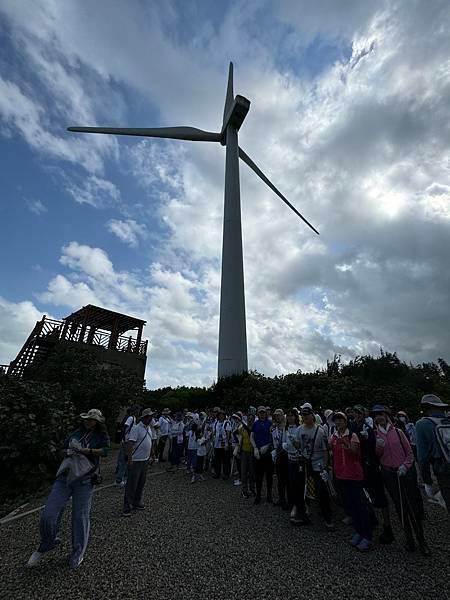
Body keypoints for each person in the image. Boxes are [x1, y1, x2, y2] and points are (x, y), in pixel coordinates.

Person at [27, 409, 110, 569]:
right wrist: (68, 451)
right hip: (64, 477)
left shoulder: (101, 436)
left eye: (92, 420)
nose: (89, 421)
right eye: (87, 418)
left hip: (85, 481)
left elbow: (106, 450)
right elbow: (61, 450)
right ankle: (47, 543)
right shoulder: (75, 433)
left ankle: (78, 552)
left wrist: (89, 451)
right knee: (48, 515)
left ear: (98, 422)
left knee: (80, 517)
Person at [373, 405, 430, 555]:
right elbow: (378, 456)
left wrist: (405, 466)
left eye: (381, 414)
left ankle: (422, 540)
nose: (379, 417)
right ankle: (409, 540)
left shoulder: (398, 432)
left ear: (386, 415)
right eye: (376, 415)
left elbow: (409, 452)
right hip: (388, 473)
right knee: (400, 507)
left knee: (412, 506)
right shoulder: (375, 434)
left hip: (404, 473)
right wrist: (378, 448)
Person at [330, 412, 373, 552]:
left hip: (354, 475)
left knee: (360, 505)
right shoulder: (334, 436)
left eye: (340, 420)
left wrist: (347, 446)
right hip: (340, 475)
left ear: (346, 421)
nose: (338, 423)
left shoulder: (352, 435)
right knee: (350, 505)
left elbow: (355, 453)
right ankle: (358, 531)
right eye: (336, 421)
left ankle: (367, 535)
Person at [351, 405, 394, 544]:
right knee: (364, 495)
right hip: (359, 465)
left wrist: (367, 439)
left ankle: (387, 526)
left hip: (371, 466)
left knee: (379, 496)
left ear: (364, 414)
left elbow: (373, 450)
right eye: (355, 412)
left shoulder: (369, 429)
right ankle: (371, 519)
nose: (357, 414)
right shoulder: (353, 427)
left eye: (359, 412)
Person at [298, 406, 334, 530]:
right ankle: (305, 512)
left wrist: (324, 466)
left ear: (312, 416)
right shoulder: (300, 429)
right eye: (303, 417)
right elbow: (299, 445)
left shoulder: (320, 430)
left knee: (322, 491)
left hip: (318, 464)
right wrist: (292, 443)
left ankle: (327, 517)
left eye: (307, 417)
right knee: (304, 488)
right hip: (305, 462)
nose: (305, 419)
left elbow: (325, 450)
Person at [416, 394, 450, 512]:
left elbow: (422, 458)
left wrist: (427, 481)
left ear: (426, 408)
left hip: (443, 469)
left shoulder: (422, 424)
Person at [123, 408, 153, 516]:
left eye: (151, 416)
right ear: (144, 418)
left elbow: (150, 442)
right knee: (132, 484)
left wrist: (151, 455)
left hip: (145, 459)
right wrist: (130, 459)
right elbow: (130, 444)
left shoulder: (148, 428)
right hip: (136, 460)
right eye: (149, 417)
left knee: (141, 483)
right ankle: (127, 506)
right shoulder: (136, 428)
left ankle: (137, 501)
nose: (151, 418)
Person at [283, 408, 309, 525]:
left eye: (292, 415)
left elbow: (300, 445)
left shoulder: (300, 428)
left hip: (298, 459)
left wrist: (293, 443)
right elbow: (284, 441)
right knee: (291, 483)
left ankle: (301, 508)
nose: (289, 418)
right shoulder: (286, 428)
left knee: (299, 484)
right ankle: (294, 504)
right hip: (289, 458)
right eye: (288, 416)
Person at [251, 406, 273, 505]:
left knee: (269, 476)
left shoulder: (270, 423)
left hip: (268, 453)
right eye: (260, 412)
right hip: (258, 453)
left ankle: (269, 495)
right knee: (258, 476)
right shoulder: (255, 424)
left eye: (263, 412)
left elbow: (273, 436)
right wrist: (255, 448)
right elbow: (252, 436)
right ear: (258, 414)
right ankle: (258, 495)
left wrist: (268, 445)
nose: (262, 414)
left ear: (266, 413)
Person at [115, 405, 139, 486]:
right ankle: (119, 479)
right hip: (127, 441)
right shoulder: (131, 418)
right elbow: (125, 427)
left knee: (125, 459)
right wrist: (124, 439)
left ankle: (122, 476)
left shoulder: (133, 418)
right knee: (124, 460)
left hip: (128, 440)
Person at [271, 408, 289, 509]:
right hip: (277, 455)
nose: (277, 417)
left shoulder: (286, 427)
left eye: (279, 415)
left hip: (286, 455)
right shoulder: (274, 427)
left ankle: (289, 500)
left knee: (287, 479)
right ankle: (281, 498)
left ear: (282, 415)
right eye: (276, 415)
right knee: (280, 479)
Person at [238, 412, 256, 498]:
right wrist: (238, 448)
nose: (250, 419)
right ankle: (244, 490)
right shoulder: (242, 428)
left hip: (252, 452)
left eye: (252, 418)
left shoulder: (255, 427)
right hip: (244, 452)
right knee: (244, 471)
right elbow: (240, 439)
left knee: (252, 472)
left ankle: (252, 489)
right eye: (249, 418)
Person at [212, 409, 231, 479]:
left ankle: (226, 473)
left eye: (222, 415)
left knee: (226, 459)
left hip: (224, 444)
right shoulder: (216, 423)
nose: (221, 416)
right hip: (217, 444)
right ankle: (217, 473)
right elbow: (213, 432)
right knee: (217, 459)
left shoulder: (227, 423)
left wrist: (227, 443)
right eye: (219, 415)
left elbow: (228, 433)